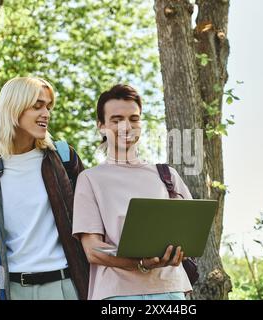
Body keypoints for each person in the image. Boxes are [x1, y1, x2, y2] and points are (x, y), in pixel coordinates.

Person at [0, 77, 89, 300]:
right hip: (13, 291)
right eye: (37, 106)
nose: (46, 113)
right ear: (13, 108)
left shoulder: (63, 157)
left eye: (48, 106)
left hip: (66, 287)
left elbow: (92, 221)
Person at [72, 84, 192, 300]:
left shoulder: (167, 176)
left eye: (134, 119)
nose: (126, 127)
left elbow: (190, 233)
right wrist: (139, 263)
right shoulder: (90, 179)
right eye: (116, 120)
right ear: (101, 126)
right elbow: (93, 250)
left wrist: (178, 251)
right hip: (117, 294)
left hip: (170, 290)